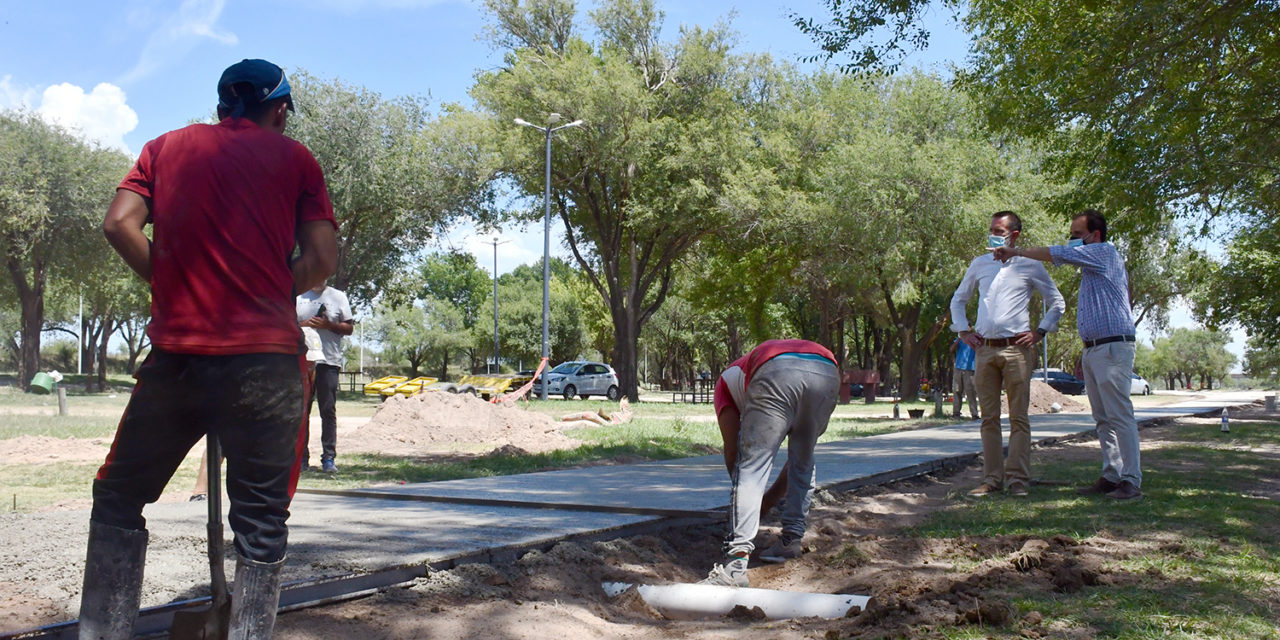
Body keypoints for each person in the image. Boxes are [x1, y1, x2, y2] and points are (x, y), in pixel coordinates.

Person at [86, 58, 336, 640]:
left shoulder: (165, 148)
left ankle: (104, 631)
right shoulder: (296, 159)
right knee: (262, 523)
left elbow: (119, 223)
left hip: (180, 360)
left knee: (119, 499)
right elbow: (322, 261)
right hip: (267, 365)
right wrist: (272, 286)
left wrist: (171, 283)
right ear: (279, 109)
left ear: (224, 104)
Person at [993, 209, 1142, 500]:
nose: (1071, 240)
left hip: (1112, 347)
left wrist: (1015, 251)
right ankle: (1112, 475)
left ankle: (1131, 480)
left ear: (1094, 236)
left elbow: (1057, 253)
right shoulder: (1092, 265)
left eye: (1076, 235)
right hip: (1095, 348)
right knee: (1102, 417)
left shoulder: (1104, 254)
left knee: (1119, 415)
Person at [701, 339, 840, 587]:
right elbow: (794, 466)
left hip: (776, 371)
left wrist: (752, 507)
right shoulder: (743, 374)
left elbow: (736, 458)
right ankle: (791, 541)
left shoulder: (724, 385)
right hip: (827, 371)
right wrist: (762, 503)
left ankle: (735, 564)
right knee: (803, 459)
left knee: (752, 465)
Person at [950, 211, 1065, 498]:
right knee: (988, 419)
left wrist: (1040, 332)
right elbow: (959, 299)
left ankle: (1017, 481)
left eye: (998, 230)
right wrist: (963, 331)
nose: (993, 235)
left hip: (1017, 350)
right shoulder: (980, 264)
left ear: (1014, 235)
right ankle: (991, 480)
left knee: (1018, 418)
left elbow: (1056, 302)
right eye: (991, 229)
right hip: (985, 350)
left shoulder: (1031, 265)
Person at [296, 284, 354, 473]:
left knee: (327, 411)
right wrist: (305, 325)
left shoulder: (338, 296)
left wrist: (329, 325)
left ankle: (328, 458)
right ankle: (301, 460)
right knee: (302, 411)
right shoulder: (299, 296)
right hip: (305, 361)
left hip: (329, 361)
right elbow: (286, 324)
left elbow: (349, 328)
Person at [950, 337, 979, 419]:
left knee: (970, 392)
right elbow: (951, 349)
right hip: (958, 368)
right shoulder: (958, 339)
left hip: (970, 369)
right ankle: (956, 413)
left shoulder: (974, 338)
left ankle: (974, 414)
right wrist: (959, 339)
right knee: (957, 390)